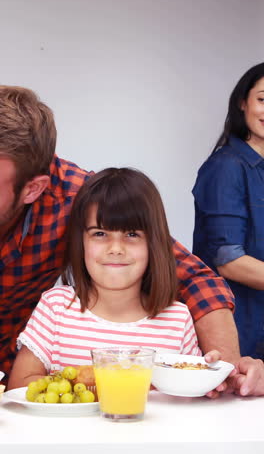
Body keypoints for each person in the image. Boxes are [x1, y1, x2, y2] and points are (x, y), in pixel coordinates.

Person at [0, 85, 263, 396]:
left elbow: (196, 280)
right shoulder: (55, 310)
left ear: (32, 189)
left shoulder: (79, 199)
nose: (116, 245)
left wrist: (225, 373)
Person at [192, 62, 264, 361]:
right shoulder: (227, 166)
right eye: (263, 99)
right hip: (239, 326)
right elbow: (229, 260)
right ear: (242, 103)